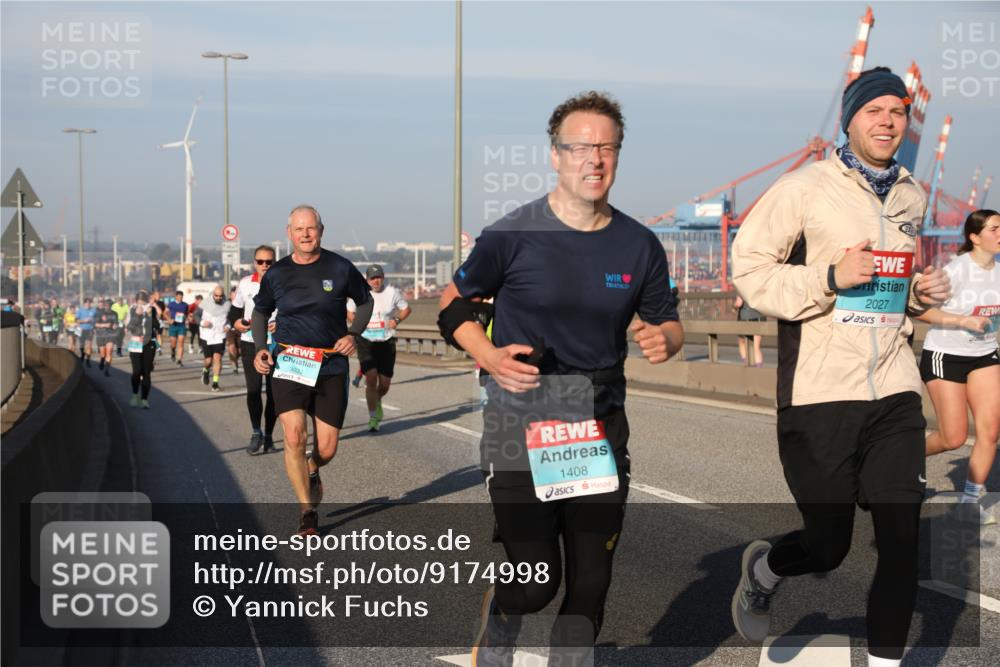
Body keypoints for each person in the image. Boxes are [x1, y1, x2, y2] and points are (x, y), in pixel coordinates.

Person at [437, 91, 683, 665]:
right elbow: (453, 304)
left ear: (618, 155)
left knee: (591, 582)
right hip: (519, 419)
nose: (593, 159)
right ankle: (501, 616)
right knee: (536, 582)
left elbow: (668, 322)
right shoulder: (513, 233)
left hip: (597, 423)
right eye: (580, 147)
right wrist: (490, 354)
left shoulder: (638, 244)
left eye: (606, 147)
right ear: (555, 155)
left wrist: (664, 341)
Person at [730, 67, 952, 667]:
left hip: (895, 389)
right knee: (828, 547)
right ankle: (766, 569)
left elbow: (891, 287)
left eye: (898, 112)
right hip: (820, 390)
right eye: (875, 110)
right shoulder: (804, 186)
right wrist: (830, 277)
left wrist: (919, 294)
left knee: (902, 541)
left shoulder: (911, 194)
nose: (888, 121)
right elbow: (748, 270)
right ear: (849, 118)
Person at [251, 204, 373, 536]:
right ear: (288, 233)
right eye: (299, 229)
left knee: (327, 447)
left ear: (321, 230)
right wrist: (262, 347)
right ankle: (307, 512)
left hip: (330, 363)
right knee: (293, 435)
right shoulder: (276, 273)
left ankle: (312, 467)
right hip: (290, 362)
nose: (306, 234)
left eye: (311, 228)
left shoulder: (340, 267)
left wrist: (353, 334)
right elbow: (261, 312)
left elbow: (365, 302)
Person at [918, 209, 1000, 525]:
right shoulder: (957, 270)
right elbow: (920, 310)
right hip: (945, 356)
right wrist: (961, 320)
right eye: (994, 229)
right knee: (953, 438)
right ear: (974, 237)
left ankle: (970, 500)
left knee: (990, 430)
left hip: (984, 354)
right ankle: (901, 462)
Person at [347, 264, 411, 431]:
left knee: (384, 384)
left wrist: (396, 320)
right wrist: (357, 322)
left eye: (379, 277)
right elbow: (349, 310)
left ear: (383, 278)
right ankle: (373, 417)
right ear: (367, 280)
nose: (376, 281)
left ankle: (377, 398)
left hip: (386, 342)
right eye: (372, 278)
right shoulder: (360, 293)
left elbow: (406, 309)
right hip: (366, 341)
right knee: (371, 377)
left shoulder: (392, 293)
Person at [229, 245, 279, 455]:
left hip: (276, 342)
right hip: (250, 341)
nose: (265, 265)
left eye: (269, 262)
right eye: (261, 262)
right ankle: (256, 431)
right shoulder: (245, 283)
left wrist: (282, 323)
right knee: (253, 389)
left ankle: (269, 435)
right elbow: (234, 312)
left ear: (274, 263)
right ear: (254, 263)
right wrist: (237, 323)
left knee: (274, 392)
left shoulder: (284, 282)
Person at [125, 290, 159, 408]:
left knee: (146, 372)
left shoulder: (151, 310)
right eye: (139, 303)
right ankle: (135, 395)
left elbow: (157, 326)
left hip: (149, 344)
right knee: (136, 371)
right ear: (135, 302)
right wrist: (138, 315)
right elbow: (129, 327)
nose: (142, 305)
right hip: (135, 342)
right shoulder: (131, 310)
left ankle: (144, 399)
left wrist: (150, 315)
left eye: (143, 303)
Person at [199, 286, 230, 392]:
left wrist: (229, 326)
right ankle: (206, 370)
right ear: (213, 294)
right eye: (216, 296)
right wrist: (203, 323)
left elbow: (231, 318)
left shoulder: (227, 304)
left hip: (220, 335)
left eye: (220, 296)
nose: (218, 298)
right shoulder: (205, 303)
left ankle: (215, 383)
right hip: (206, 335)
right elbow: (195, 316)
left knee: (217, 358)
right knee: (208, 360)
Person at [733, 294, 765, 366]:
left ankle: (748, 365)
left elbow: (739, 303)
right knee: (756, 347)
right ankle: (759, 370)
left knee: (742, 343)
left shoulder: (742, 283)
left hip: (746, 316)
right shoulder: (760, 283)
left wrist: (734, 307)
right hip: (760, 316)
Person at [94, 298, 119, 377]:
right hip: (101, 334)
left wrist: (115, 326)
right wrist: (105, 325)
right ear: (105, 305)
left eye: (110, 305)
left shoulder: (115, 313)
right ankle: (102, 360)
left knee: (109, 351)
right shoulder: (99, 313)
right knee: (103, 353)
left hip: (111, 334)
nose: (108, 306)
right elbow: (95, 324)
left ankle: (107, 369)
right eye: (107, 305)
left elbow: (116, 323)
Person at [167, 290, 189, 367]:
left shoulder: (185, 305)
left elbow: (187, 315)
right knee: (173, 343)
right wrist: (169, 320)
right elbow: (165, 313)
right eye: (179, 296)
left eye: (181, 296)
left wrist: (186, 319)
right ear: (176, 296)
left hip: (181, 325)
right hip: (173, 325)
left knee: (181, 342)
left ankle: (179, 360)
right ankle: (173, 351)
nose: (180, 298)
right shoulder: (171, 304)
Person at [76, 297, 97, 366]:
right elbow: (76, 320)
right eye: (86, 302)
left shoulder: (93, 310)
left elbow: (97, 319)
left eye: (89, 302)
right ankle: (82, 355)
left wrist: (94, 325)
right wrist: (84, 321)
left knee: (89, 345)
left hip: (90, 330)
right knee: (82, 345)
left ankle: (88, 360)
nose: (88, 304)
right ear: (84, 303)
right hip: (82, 329)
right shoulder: (80, 310)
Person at [227, 286, 241, 374]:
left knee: (240, 350)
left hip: (241, 330)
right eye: (233, 295)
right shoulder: (226, 305)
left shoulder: (242, 304)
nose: (235, 297)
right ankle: (234, 365)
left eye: (236, 295)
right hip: (230, 329)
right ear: (230, 295)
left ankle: (234, 359)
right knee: (232, 347)